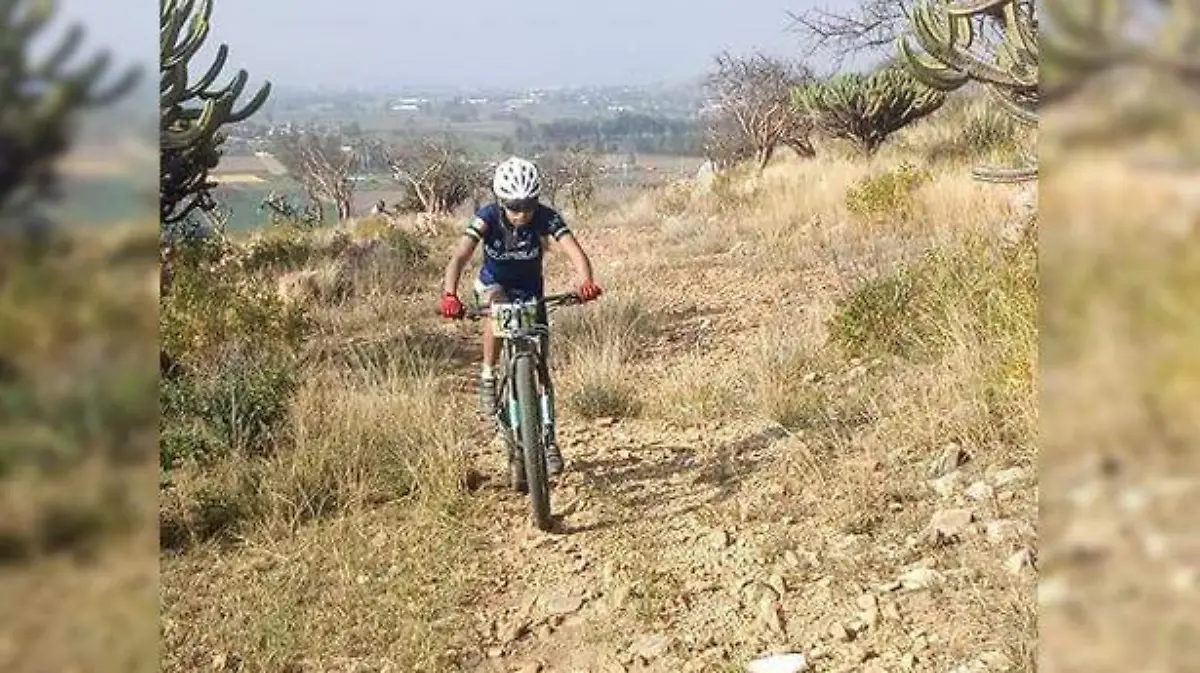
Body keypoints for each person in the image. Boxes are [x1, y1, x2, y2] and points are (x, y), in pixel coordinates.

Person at [439, 156, 603, 476]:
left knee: (541, 366)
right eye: (515, 207)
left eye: (528, 206)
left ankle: (549, 439)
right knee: (497, 308)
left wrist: (586, 281)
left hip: (531, 292)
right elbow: (460, 255)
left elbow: (574, 250)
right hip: (494, 285)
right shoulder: (487, 217)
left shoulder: (545, 217)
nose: (522, 214)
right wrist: (449, 294)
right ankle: (488, 375)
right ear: (502, 201)